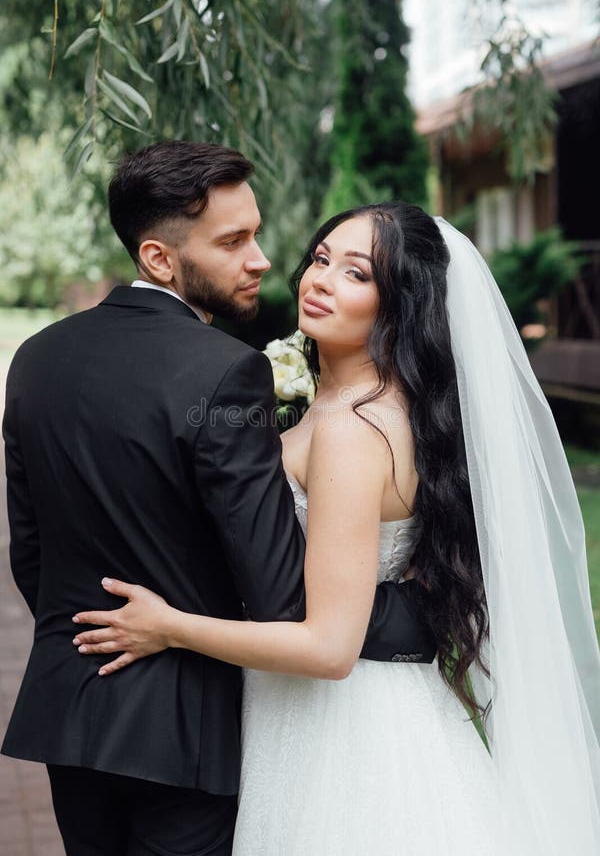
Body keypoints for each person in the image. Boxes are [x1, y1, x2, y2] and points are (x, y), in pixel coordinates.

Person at [73, 202, 600, 855]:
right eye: (321, 259)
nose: (318, 280)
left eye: (355, 274)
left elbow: (329, 647)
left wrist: (167, 627)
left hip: (348, 736)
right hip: (319, 710)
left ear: (400, 304)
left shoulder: (356, 430)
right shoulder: (342, 404)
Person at [1, 144, 436, 856]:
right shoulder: (225, 372)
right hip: (189, 735)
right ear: (160, 259)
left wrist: (89, 632)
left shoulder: (38, 357)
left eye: (256, 233)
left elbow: (32, 556)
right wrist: (415, 616)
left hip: (72, 713)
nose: (263, 259)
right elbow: (274, 593)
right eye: (233, 242)